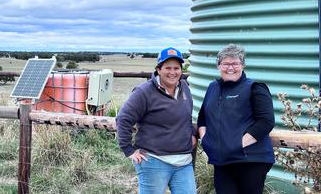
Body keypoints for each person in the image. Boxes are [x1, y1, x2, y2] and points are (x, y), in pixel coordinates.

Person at [116, 47, 197, 194]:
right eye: (167, 68)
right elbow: (123, 118)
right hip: (154, 160)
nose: (172, 72)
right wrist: (128, 150)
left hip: (184, 161)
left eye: (176, 68)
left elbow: (186, 116)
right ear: (158, 69)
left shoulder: (185, 87)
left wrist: (190, 133)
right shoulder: (144, 92)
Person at [197, 44, 275, 194]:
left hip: (250, 160)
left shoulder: (255, 88)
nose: (230, 67)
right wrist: (206, 141)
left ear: (243, 65)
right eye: (226, 63)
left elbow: (266, 122)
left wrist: (237, 145)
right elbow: (203, 119)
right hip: (222, 161)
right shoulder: (213, 88)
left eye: (235, 63)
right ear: (219, 65)